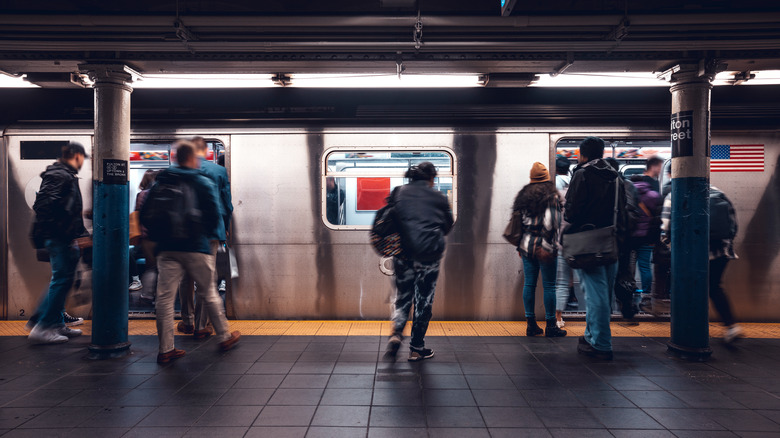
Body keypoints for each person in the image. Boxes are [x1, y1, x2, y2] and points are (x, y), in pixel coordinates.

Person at [145, 140, 240, 364]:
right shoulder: (202, 180)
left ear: (176, 157)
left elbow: (147, 213)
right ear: (192, 158)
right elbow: (216, 212)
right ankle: (223, 336)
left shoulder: (163, 179)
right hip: (196, 246)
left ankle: (166, 349)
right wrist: (207, 235)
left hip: (167, 248)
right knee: (209, 290)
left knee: (165, 299)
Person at [565, 137, 627, 360]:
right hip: (611, 240)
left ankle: (601, 344)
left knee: (594, 295)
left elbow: (571, 212)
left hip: (589, 242)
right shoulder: (615, 176)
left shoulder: (582, 174)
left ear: (582, 154)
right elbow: (623, 210)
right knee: (603, 293)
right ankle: (591, 335)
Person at [385, 162, 454, 361]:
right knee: (423, 302)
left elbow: (391, 220)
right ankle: (416, 347)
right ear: (431, 178)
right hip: (429, 257)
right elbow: (447, 226)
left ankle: (396, 333)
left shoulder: (398, 192)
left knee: (403, 299)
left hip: (403, 255)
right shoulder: (439, 197)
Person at [659, 186, 743, 343]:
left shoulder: (674, 194)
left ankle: (691, 330)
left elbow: (665, 227)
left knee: (689, 289)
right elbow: (733, 225)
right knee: (714, 287)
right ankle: (731, 326)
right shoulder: (719, 192)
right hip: (721, 251)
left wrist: (674, 249)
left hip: (691, 253)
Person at [27, 142, 90, 344]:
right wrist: (63, 232)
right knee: (62, 279)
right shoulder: (59, 175)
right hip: (59, 237)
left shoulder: (64, 175)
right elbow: (44, 204)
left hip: (63, 236)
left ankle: (55, 322)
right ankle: (43, 326)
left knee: (63, 279)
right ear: (77, 156)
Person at [178, 137, 234, 338]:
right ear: (206, 150)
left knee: (185, 278)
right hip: (211, 231)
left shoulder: (180, 170)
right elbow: (227, 204)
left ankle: (187, 321)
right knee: (206, 277)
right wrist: (225, 229)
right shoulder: (218, 171)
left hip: (185, 232)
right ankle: (202, 325)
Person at [513, 162, 566, 337]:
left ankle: (531, 325)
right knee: (549, 286)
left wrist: (519, 246)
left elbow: (517, 223)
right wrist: (546, 246)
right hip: (546, 246)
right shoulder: (551, 196)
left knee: (530, 284)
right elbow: (553, 222)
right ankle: (551, 325)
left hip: (526, 245)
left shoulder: (523, 195)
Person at [605, 157, 640, 319]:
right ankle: (626, 306)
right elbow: (632, 211)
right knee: (624, 274)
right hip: (626, 240)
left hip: (610, 239)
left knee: (607, 276)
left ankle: (609, 310)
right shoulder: (628, 185)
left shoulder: (608, 185)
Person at [629, 175, 662, 299]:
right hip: (647, 237)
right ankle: (646, 292)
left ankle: (630, 288)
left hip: (631, 237)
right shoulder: (653, 195)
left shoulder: (627, 194)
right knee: (645, 266)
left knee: (630, 265)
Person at [554, 156, 578, 317]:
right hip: (579, 241)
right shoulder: (576, 188)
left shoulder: (555, 188)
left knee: (560, 281)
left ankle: (557, 316)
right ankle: (574, 298)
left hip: (561, 240)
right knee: (584, 280)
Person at [135, 169, 159, 303]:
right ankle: (159, 297)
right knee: (161, 268)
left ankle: (148, 293)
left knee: (151, 267)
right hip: (160, 235)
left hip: (146, 236)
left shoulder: (141, 194)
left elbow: (138, 214)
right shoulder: (160, 193)